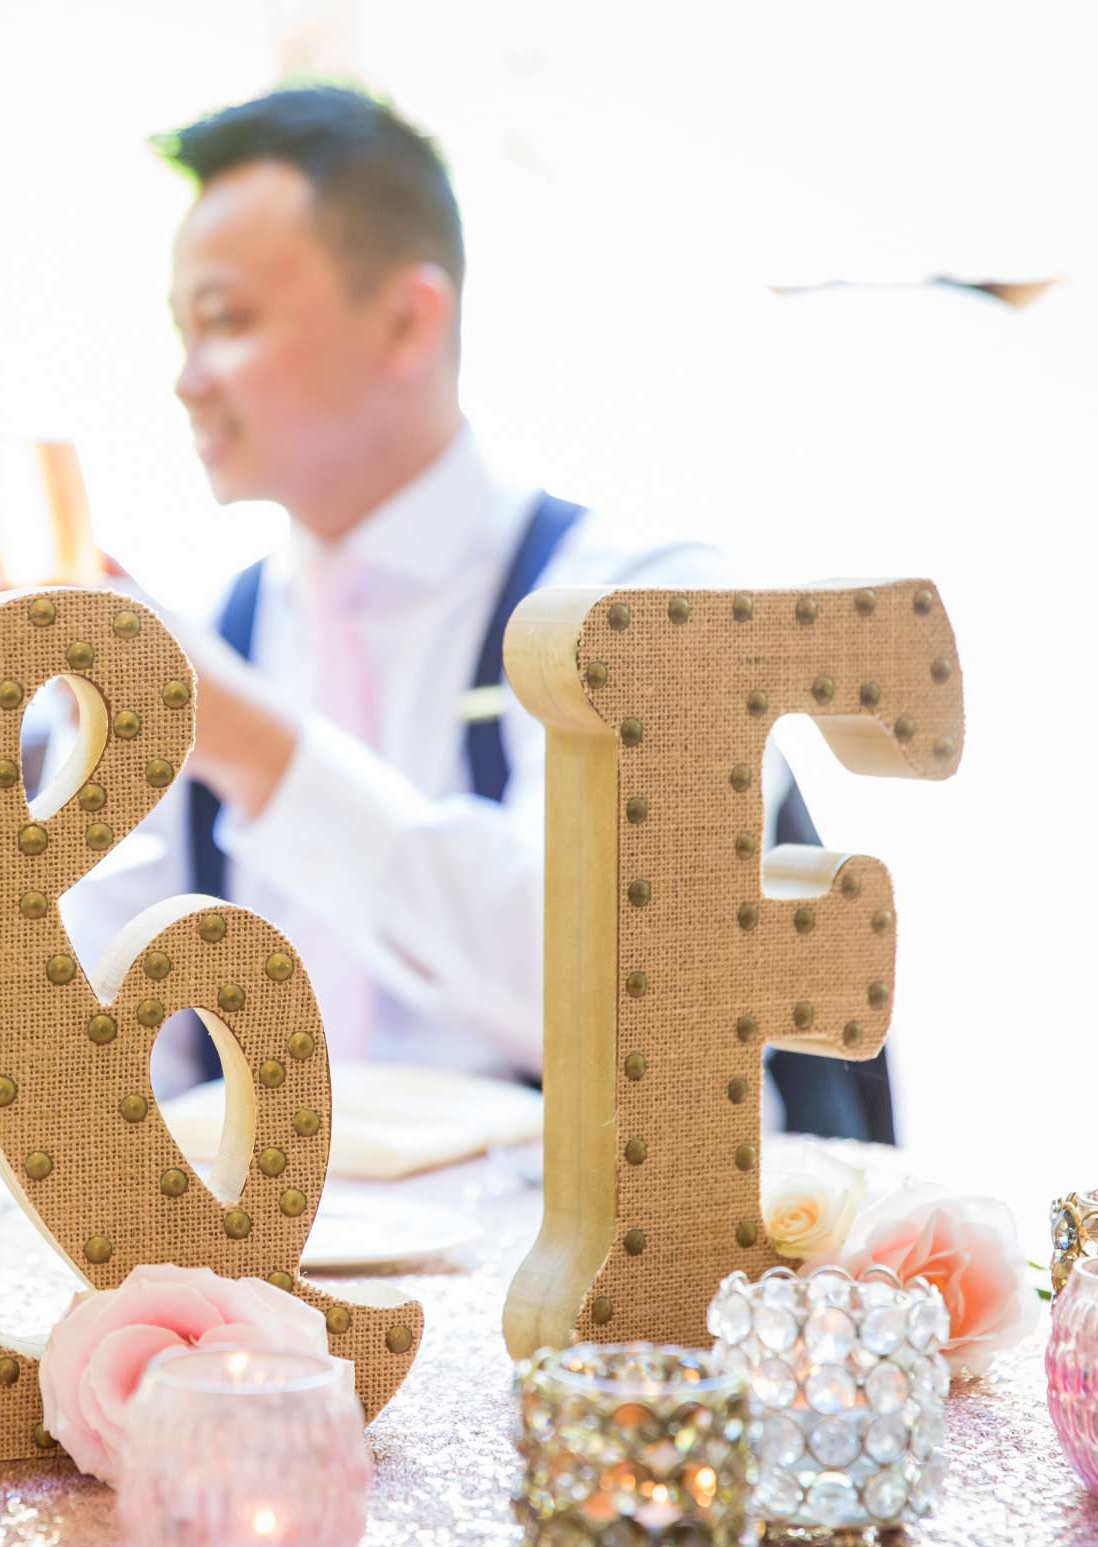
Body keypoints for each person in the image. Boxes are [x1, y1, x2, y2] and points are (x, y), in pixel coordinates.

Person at [82, 86, 883, 1138]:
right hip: (267, 1277)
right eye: (180, 331)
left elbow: (612, 993)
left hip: (613, 1279)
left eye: (226, 322)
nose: (186, 380)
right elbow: (104, 1023)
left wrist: (253, 743)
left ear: (409, 319)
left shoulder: (645, 599)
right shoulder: (213, 633)